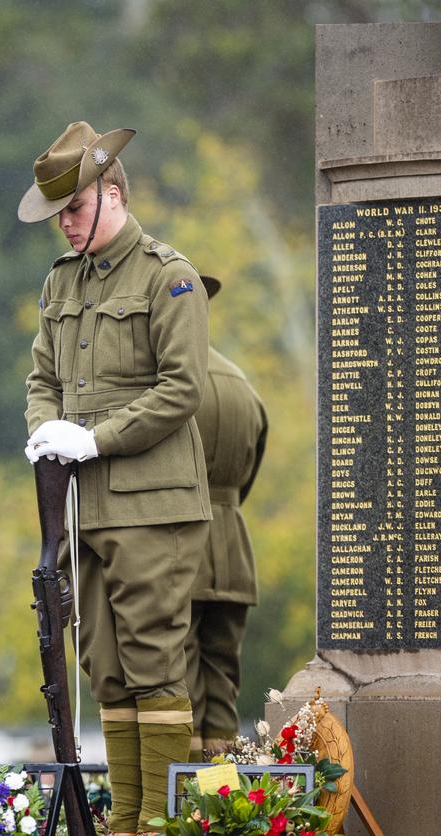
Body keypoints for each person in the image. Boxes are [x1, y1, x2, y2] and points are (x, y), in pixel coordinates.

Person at [20, 121, 212, 836]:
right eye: (58, 213)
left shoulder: (169, 277)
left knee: (155, 660)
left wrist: (93, 438)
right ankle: (125, 831)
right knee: (106, 666)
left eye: (75, 207)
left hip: (153, 504)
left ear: (114, 193)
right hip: (84, 509)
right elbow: (42, 377)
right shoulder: (63, 283)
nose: (65, 223)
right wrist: (45, 433)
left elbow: (182, 389)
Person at [185, 275, 268, 759]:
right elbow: (248, 477)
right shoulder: (242, 384)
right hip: (234, 549)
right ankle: (222, 801)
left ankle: (181, 812)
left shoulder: (166, 386)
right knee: (221, 685)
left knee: (176, 684)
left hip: (175, 545)